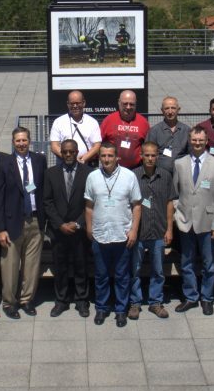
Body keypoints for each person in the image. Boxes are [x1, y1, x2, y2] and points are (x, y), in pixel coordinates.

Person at [84, 142, 142, 327]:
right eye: (103, 156)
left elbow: (137, 205)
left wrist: (133, 230)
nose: (106, 159)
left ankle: (120, 310)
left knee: (122, 276)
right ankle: (102, 308)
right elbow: (89, 206)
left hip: (122, 234)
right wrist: (89, 228)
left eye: (110, 156)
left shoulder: (129, 176)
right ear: (99, 157)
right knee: (101, 276)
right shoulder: (92, 177)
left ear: (117, 157)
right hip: (100, 234)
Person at [0, 126, 47, 318]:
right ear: (13, 142)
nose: (22, 144)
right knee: (10, 265)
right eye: (18, 141)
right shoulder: (3, 163)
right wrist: (0, 228)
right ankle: (9, 302)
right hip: (12, 222)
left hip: (34, 220)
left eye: (24, 140)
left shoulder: (40, 160)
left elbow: (43, 191)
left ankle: (26, 300)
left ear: (29, 140)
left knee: (32, 265)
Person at [173, 126, 214, 314]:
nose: (197, 143)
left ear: (206, 142)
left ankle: (207, 297)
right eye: (194, 140)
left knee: (208, 263)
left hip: (207, 222)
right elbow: (175, 193)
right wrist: (176, 214)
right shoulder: (180, 164)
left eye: (200, 140)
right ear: (190, 140)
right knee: (186, 262)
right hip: (185, 221)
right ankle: (191, 296)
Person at [43, 139, 93, 317]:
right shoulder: (51, 173)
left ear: (77, 152)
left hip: (79, 230)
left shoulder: (88, 173)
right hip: (59, 230)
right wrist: (60, 224)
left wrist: (78, 223)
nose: (68, 155)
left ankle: (82, 300)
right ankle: (61, 301)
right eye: (65, 152)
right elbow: (47, 202)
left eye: (72, 152)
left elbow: (90, 202)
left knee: (81, 266)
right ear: (61, 153)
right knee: (60, 267)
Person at [129, 141, 175, 320]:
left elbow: (170, 203)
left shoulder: (165, 176)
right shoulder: (133, 176)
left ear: (158, 156)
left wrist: (169, 229)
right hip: (139, 232)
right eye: (146, 155)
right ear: (141, 155)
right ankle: (135, 302)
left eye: (153, 155)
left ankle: (155, 302)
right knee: (135, 269)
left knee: (158, 270)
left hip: (158, 230)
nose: (150, 158)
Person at [100, 90, 150, 169]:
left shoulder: (143, 122)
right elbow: (99, 143)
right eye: (125, 104)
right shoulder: (109, 120)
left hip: (136, 168)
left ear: (136, 103)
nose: (128, 107)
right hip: (112, 167)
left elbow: (148, 146)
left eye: (131, 104)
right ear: (119, 102)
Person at [49, 91, 102, 165]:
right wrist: (67, 158)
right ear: (68, 104)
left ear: (83, 103)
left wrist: (83, 159)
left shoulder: (92, 122)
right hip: (64, 164)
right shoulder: (58, 122)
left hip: (86, 165)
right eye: (72, 103)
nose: (75, 106)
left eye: (78, 103)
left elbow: (97, 146)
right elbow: (54, 146)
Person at [145, 96, 190, 173]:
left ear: (178, 110)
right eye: (167, 108)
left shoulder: (187, 130)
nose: (170, 111)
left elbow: (191, 154)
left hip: (181, 173)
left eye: (173, 108)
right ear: (162, 110)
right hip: (160, 175)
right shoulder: (154, 131)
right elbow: (148, 154)